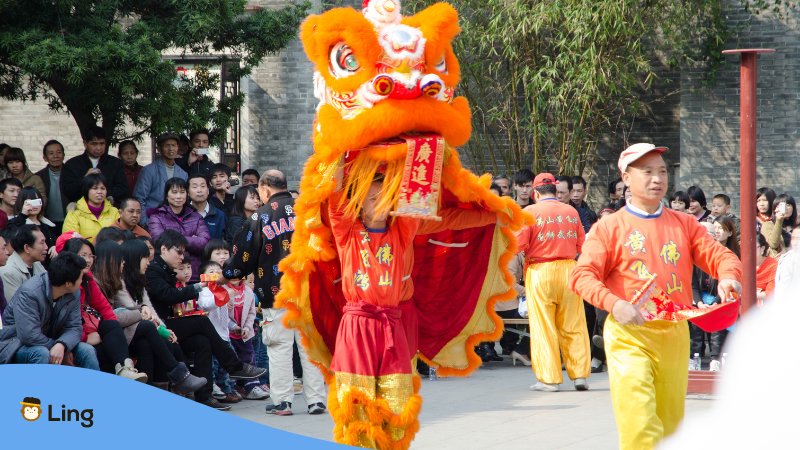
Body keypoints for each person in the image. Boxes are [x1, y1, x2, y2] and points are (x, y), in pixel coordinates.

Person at [569, 143, 742, 450]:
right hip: (629, 335)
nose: (657, 179)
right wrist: (614, 303)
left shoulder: (685, 224)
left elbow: (720, 256)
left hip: (674, 332)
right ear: (626, 177)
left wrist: (729, 277)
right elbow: (582, 276)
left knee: (671, 426)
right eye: (647, 171)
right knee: (640, 422)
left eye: (662, 171)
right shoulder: (609, 227)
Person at [221, 169, 326, 416]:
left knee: (279, 346)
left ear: (266, 188)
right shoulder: (307, 212)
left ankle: (282, 401)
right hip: (308, 290)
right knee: (310, 347)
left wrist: (227, 274)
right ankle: (316, 401)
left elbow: (242, 257)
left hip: (275, 292)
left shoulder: (260, 217)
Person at [145, 229, 266, 410]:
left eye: (183, 252)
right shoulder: (154, 270)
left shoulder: (165, 270)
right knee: (201, 322)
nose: (181, 257)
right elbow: (167, 295)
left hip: (169, 323)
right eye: (178, 252)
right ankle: (234, 366)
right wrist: (198, 287)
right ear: (163, 249)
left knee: (202, 341)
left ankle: (205, 396)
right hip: (159, 325)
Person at [97, 239, 207, 392]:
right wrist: (142, 313)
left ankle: (177, 386)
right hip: (112, 333)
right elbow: (114, 316)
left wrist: (162, 328)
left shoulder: (129, 280)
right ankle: (181, 377)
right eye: (145, 258)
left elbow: (147, 308)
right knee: (151, 328)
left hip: (128, 331)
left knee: (154, 342)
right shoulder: (113, 282)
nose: (148, 262)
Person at [515, 173, 589, 391]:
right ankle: (580, 376)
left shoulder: (529, 212)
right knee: (574, 324)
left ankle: (549, 379)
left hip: (540, 271)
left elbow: (518, 244)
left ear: (536, 193)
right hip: (568, 269)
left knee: (543, 325)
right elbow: (581, 246)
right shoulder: (571, 212)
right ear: (556, 191)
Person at [60, 238, 147, 382]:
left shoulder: (87, 279)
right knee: (101, 350)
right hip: (72, 336)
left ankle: (126, 369)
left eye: (91, 256)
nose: (88, 260)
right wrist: (85, 337)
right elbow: (64, 322)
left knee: (112, 326)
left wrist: (113, 333)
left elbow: (104, 308)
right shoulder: (66, 281)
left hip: (90, 329)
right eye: (83, 255)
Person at [0, 251, 99, 369]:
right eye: (80, 277)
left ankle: (92, 386)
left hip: (52, 340)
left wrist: (62, 345)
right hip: (16, 344)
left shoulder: (73, 292)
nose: (82, 281)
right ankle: (37, 387)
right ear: (68, 283)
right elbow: (29, 335)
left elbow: (75, 327)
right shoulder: (30, 293)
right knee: (41, 353)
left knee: (87, 350)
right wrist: (56, 346)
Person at [147, 177, 210, 283]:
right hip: (168, 275)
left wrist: (176, 239)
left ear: (187, 194)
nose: (178, 196)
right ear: (166, 195)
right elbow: (160, 242)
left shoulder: (196, 216)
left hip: (193, 273)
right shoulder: (157, 217)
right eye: (174, 192)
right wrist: (192, 239)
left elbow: (205, 242)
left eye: (182, 192)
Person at [61, 125, 128, 205]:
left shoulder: (116, 163)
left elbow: (123, 189)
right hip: (80, 213)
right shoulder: (72, 164)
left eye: (102, 143)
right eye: (94, 144)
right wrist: (84, 179)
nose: (99, 148)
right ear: (85, 143)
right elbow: (68, 191)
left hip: (109, 211)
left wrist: (103, 194)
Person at [133, 132, 189, 225]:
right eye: (167, 145)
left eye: (173, 145)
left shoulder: (183, 174)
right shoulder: (148, 170)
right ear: (159, 148)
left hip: (176, 223)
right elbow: (139, 198)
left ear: (177, 147)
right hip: (152, 221)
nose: (171, 149)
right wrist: (145, 222)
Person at [62, 173, 120, 242]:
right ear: (86, 191)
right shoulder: (74, 213)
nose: (99, 192)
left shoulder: (114, 212)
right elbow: (70, 241)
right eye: (95, 188)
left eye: (103, 188)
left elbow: (121, 237)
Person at [6, 187, 58, 263]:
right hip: (28, 264)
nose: (35, 206)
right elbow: (11, 237)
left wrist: (55, 247)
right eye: (30, 202)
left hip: (48, 266)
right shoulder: (16, 222)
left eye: (37, 201)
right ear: (22, 203)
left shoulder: (48, 224)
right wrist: (23, 215)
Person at [0, 225, 47, 300]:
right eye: (42, 243)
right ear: (27, 248)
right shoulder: (8, 272)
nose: (46, 247)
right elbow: (17, 306)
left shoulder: (36, 264)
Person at [35, 140, 67, 230]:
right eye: (51, 153)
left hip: (70, 221)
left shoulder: (72, 173)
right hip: (46, 221)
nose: (56, 156)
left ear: (64, 155)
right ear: (45, 158)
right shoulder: (39, 177)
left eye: (59, 152)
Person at [188, 173, 227, 240]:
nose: (199, 190)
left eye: (203, 186)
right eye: (195, 187)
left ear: (208, 191)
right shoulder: (183, 214)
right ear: (188, 192)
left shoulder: (220, 215)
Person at [775, 227, 800, 299]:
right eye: (793, 238)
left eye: (798, 238)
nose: (795, 242)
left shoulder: (788, 259)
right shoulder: (787, 259)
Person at [755, 233, 778, 306]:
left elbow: (770, 293)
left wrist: (749, 295)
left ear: (762, 248)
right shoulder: (741, 263)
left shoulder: (772, 265)